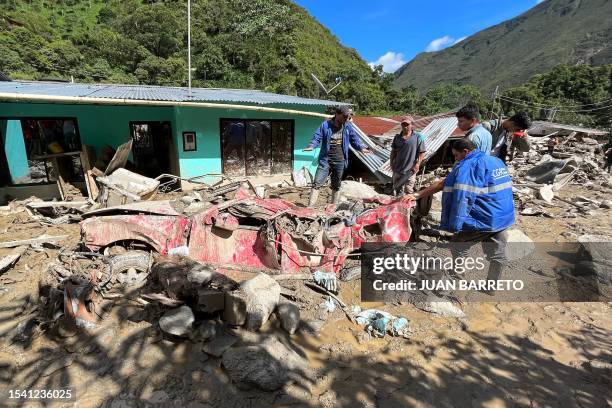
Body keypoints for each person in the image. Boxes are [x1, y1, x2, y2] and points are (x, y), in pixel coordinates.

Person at [403, 138, 515, 294]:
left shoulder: (469, 166)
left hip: (482, 217)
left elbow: (463, 197)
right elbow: (444, 182)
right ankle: (492, 287)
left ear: (466, 152)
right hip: (502, 217)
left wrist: (455, 225)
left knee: (459, 247)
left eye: (456, 156)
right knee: (497, 253)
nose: (455, 159)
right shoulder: (495, 161)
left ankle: (453, 282)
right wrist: (418, 194)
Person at [303, 106, 370, 205]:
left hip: (340, 160)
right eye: (345, 116)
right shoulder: (325, 125)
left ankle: (333, 207)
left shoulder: (348, 126)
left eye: (348, 117)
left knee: (336, 185)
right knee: (317, 183)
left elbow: (354, 139)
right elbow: (317, 137)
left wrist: (361, 148)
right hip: (325, 159)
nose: (347, 119)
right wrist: (312, 146)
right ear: (337, 114)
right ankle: (310, 207)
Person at [390, 115, 426, 195]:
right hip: (398, 169)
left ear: (412, 125)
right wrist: (391, 163)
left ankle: (409, 207)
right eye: (403, 124)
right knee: (397, 190)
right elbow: (393, 152)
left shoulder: (418, 137)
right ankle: (400, 207)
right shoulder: (397, 137)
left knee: (408, 191)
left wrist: (417, 164)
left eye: (407, 124)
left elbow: (422, 152)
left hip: (410, 170)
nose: (405, 126)